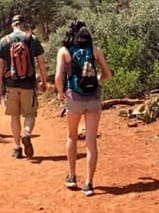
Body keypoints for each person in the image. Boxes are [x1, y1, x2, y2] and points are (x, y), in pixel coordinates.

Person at [55, 20, 112, 196]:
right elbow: (108, 74)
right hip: (93, 98)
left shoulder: (64, 52)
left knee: (72, 136)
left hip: (74, 97)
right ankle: (89, 184)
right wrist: (97, 81)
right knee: (91, 141)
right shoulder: (95, 50)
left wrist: (60, 92)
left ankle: (72, 177)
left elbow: (58, 76)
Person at [0, 14, 47, 159]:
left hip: (11, 84)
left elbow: (0, 66)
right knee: (30, 114)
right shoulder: (32, 39)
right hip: (28, 84)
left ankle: (17, 148)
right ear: (23, 24)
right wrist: (44, 81)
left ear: (12, 25)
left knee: (14, 116)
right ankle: (27, 133)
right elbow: (41, 62)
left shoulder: (4, 41)